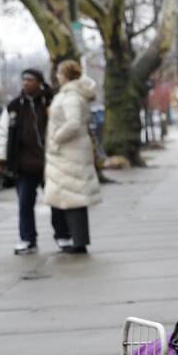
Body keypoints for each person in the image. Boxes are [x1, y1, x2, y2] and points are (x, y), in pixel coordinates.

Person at [0, 68, 69, 255]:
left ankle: (63, 235)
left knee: (56, 202)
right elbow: (3, 133)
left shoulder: (51, 102)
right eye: (24, 79)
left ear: (40, 82)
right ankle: (27, 238)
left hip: (49, 163)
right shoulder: (14, 107)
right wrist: (1, 157)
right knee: (25, 204)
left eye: (30, 79)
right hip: (24, 165)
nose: (26, 83)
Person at [44, 59, 101, 254]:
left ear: (66, 75)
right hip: (70, 152)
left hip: (69, 153)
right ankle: (76, 239)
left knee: (73, 197)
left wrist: (56, 139)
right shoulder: (71, 94)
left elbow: (73, 123)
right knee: (70, 196)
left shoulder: (71, 96)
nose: (57, 76)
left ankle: (77, 240)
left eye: (59, 73)